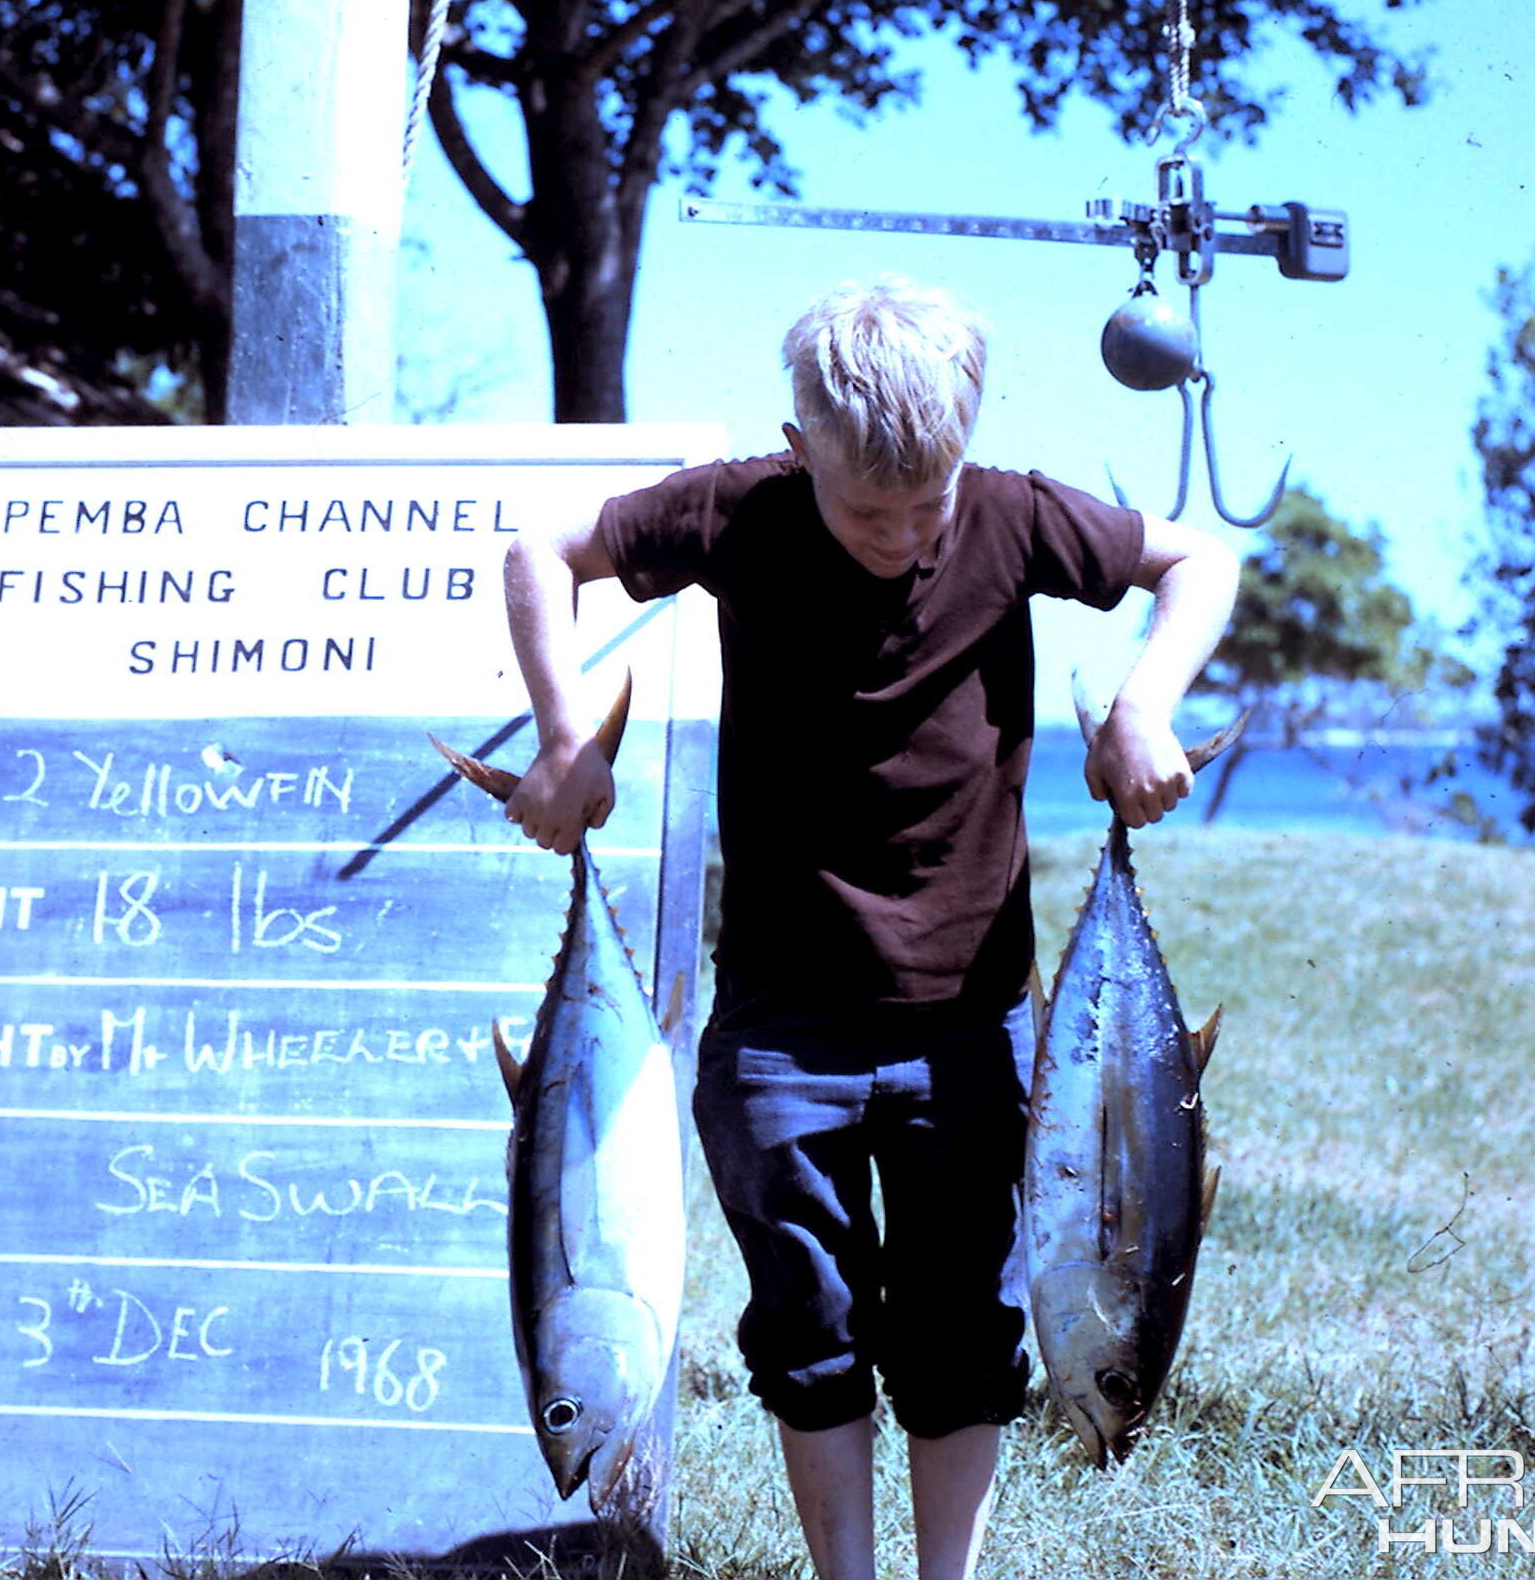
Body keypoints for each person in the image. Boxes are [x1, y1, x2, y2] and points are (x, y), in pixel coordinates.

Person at [495, 275, 1239, 1580]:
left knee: (964, 1332)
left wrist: (1143, 706)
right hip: (783, 1025)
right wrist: (565, 739)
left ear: (965, 452)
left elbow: (1197, 559)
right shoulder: (742, 510)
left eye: (924, 502)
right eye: (864, 507)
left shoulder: (1010, 515)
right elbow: (540, 554)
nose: (899, 532)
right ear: (800, 453)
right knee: (809, 1324)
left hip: (974, 1019)